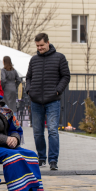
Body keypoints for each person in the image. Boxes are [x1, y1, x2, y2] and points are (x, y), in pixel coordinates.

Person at [26, 33, 70, 170]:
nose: (39, 48)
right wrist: (29, 91)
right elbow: (28, 78)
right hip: (36, 101)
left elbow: (66, 76)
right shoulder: (33, 60)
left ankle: (53, 161)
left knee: (52, 131)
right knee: (38, 132)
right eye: (37, 46)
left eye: (42, 45)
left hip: (53, 101)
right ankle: (41, 158)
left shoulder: (59, 58)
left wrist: (58, 90)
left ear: (48, 43)